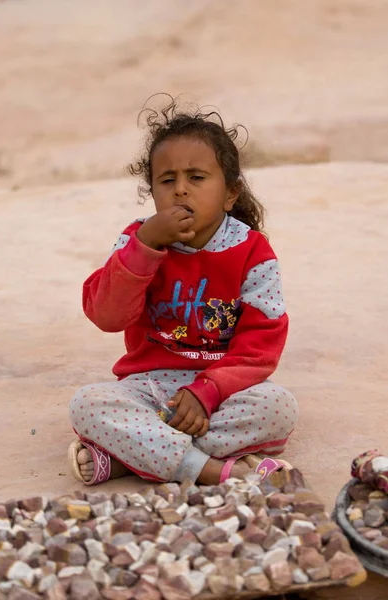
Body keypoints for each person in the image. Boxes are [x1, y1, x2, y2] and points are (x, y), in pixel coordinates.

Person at [68, 97, 298, 486]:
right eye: (167, 179)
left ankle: (136, 455)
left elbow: (260, 346)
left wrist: (209, 389)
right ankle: (207, 469)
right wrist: (144, 248)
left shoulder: (252, 251)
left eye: (197, 177)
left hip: (221, 389)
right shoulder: (135, 239)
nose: (181, 191)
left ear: (230, 193)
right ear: (152, 190)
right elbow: (106, 316)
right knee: (86, 404)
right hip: (149, 386)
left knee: (277, 408)